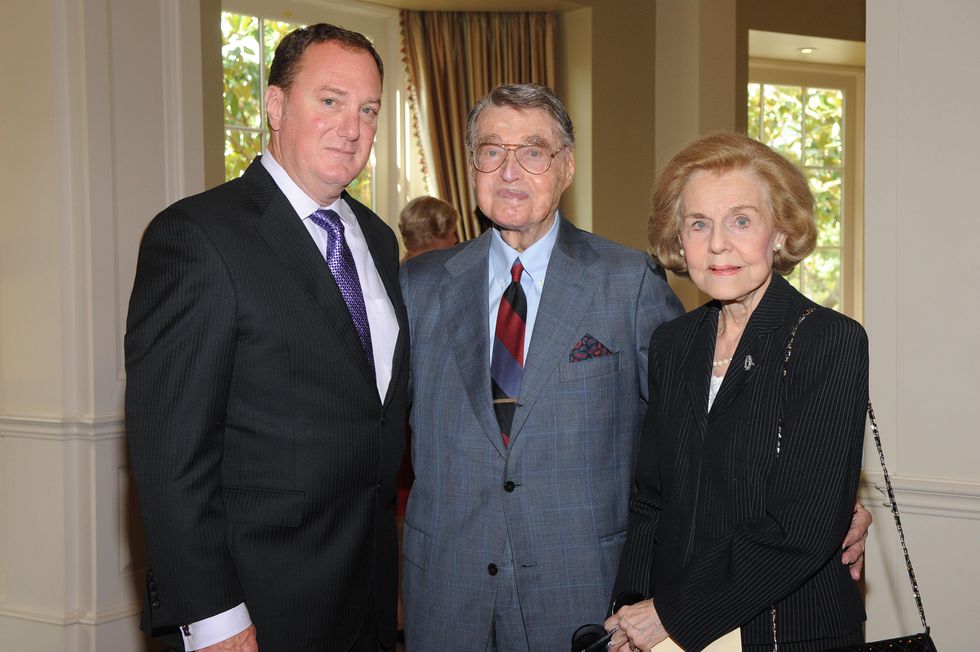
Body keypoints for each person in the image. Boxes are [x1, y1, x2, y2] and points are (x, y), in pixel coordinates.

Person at [399, 84, 869, 651]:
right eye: (491, 150)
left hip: (581, 594)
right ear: (471, 163)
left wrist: (834, 501)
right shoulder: (415, 287)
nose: (509, 170)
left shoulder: (630, 285)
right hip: (448, 595)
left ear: (566, 166)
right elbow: (669, 471)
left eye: (533, 151)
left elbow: (731, 451)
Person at [125, 23, 408, 652]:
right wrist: (215, 620)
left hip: (364, 599)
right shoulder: (198, 237)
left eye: (368, 109)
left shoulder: (379, 239)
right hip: (254, 609)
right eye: (330, 101)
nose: (352, 126)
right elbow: (171, 456)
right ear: (275, 106)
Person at [607, 132, 870, 651]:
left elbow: (802, 524)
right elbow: (650, 502)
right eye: (698, 224)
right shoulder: (673, 343)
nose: (718, 244)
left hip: (786, 631)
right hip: (666, 629)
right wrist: (629, 607)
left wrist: (670, 614)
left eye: (741, 220)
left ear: (780, 231)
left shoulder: (830, 340)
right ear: (678, 239)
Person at [398, 195, 459, 261]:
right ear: (434, 239)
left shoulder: (401, 268)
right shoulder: (441, 269)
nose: (455, 239)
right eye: (452, 234)